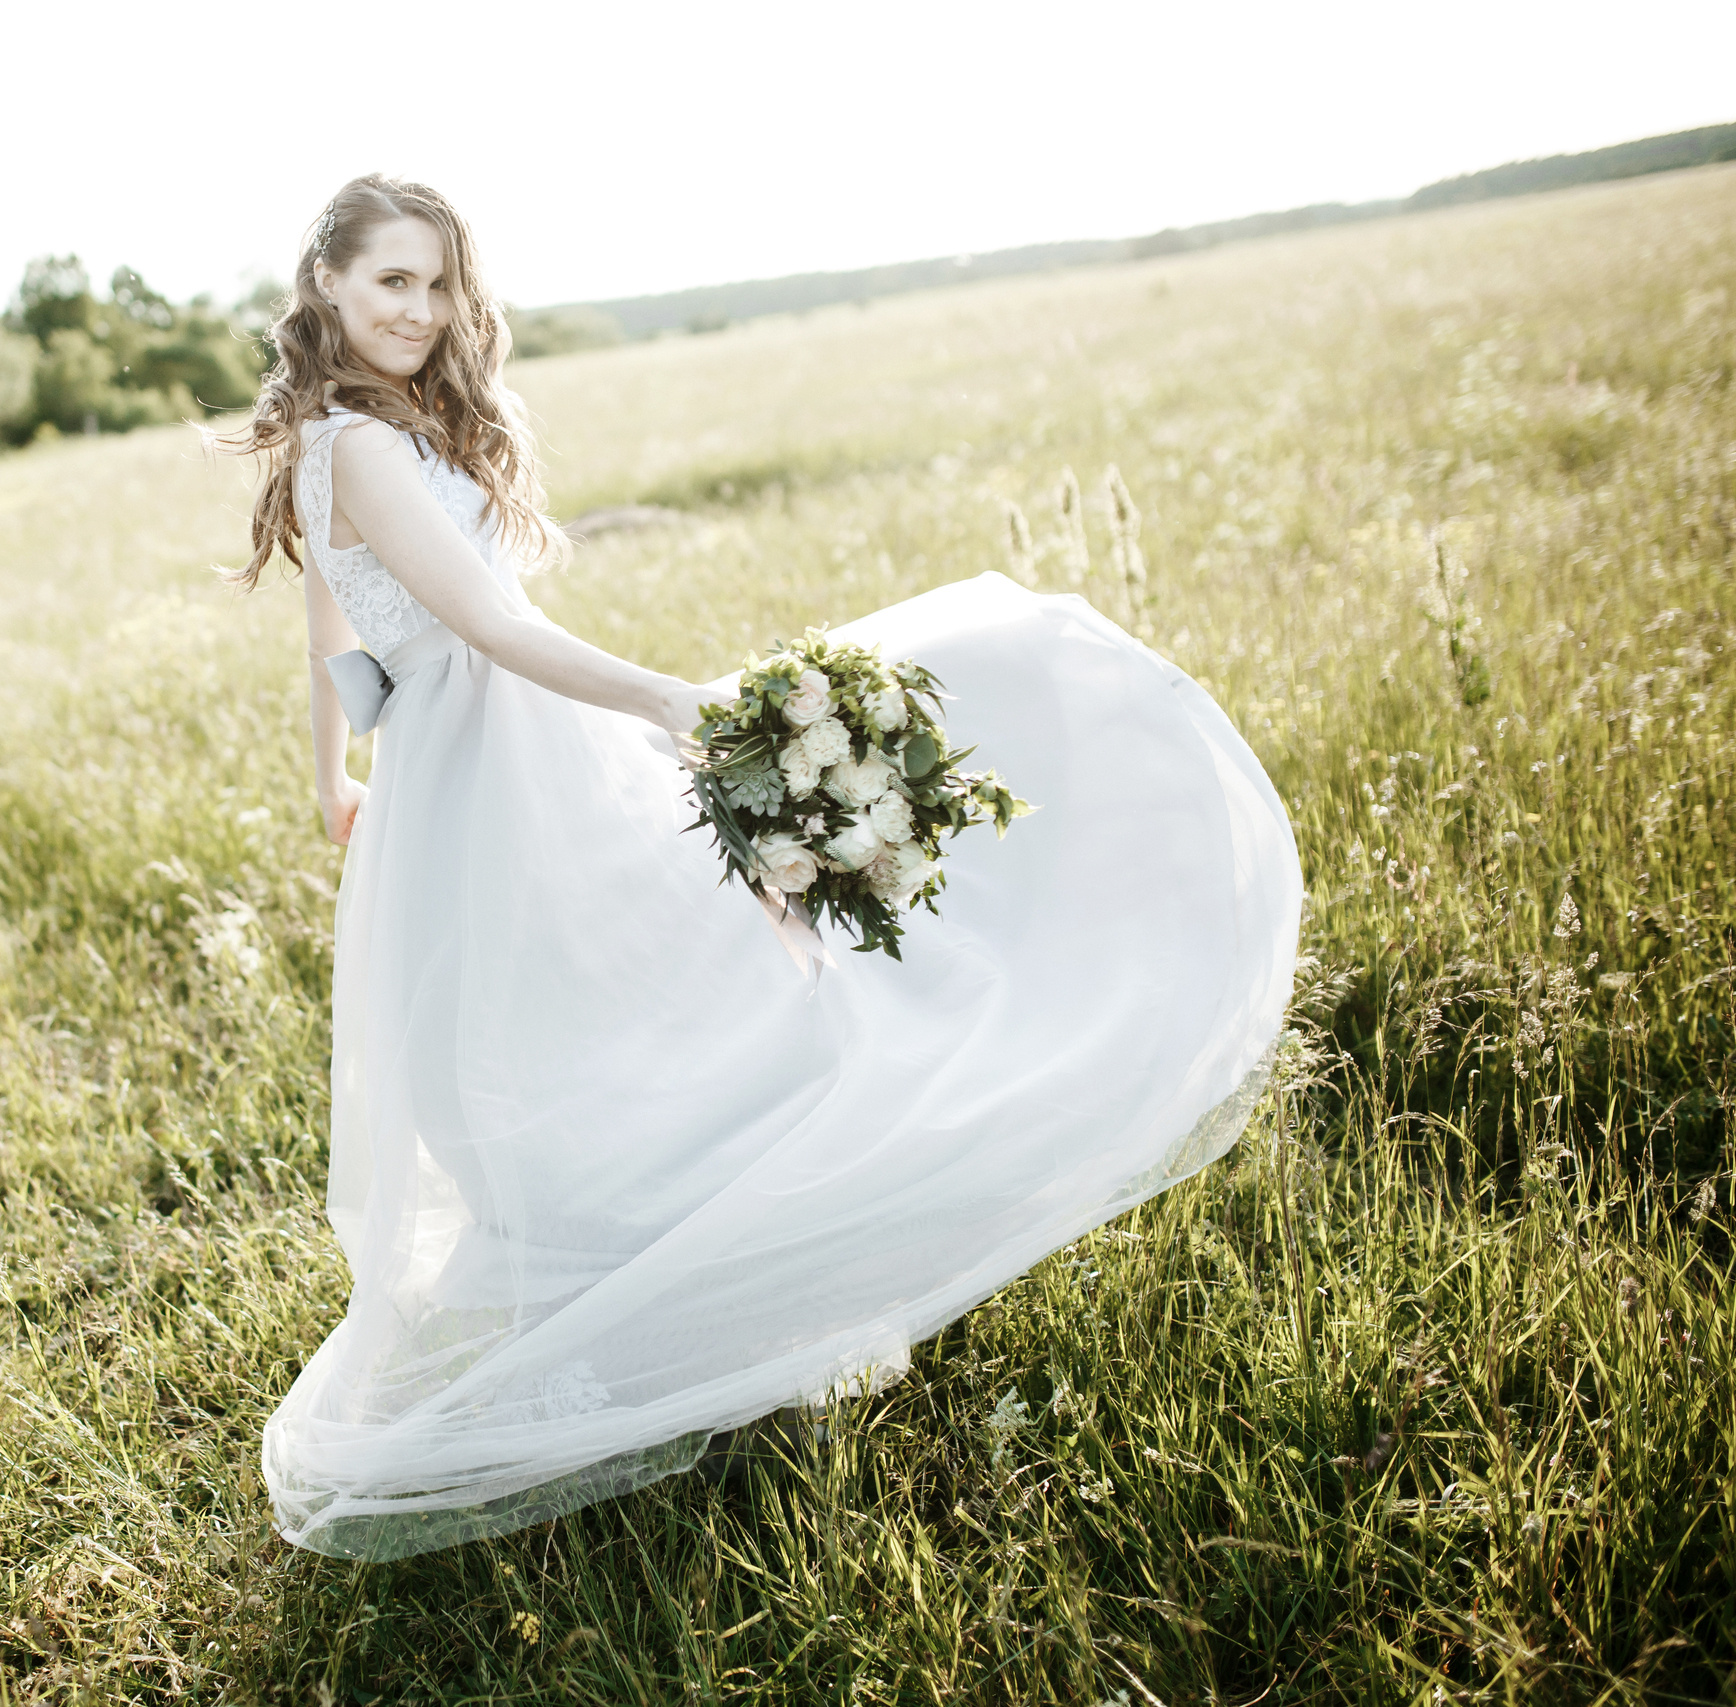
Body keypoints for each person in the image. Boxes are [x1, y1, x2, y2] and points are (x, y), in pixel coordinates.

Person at [220, 174, 1300, 1561]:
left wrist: (333, 774)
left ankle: (713, 1275)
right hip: (495, 755)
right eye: (392, 283)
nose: (422, 311)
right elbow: (484, 624)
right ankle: (685, 1283)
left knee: (629, 997)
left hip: (489, 752)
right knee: (618, 1003)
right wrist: (668, 702)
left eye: (438, 284)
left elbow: (332, 626)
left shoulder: (350, 434)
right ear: (325, 283)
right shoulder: (359, 445)